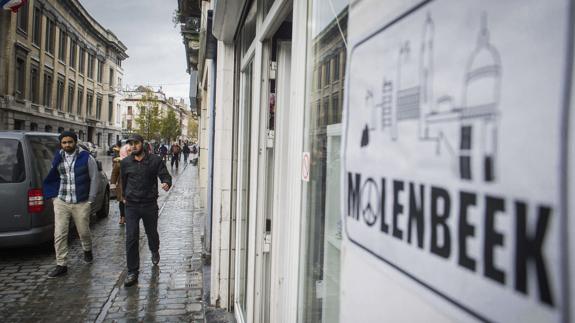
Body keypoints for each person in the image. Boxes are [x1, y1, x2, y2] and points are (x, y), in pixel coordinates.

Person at [43, 131, 100, 278]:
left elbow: (94, 178)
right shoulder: (58, 157)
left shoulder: (86, 157)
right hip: (61, 200)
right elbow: (53, 176)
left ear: (75, 142)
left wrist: (90, 200)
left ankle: (87, 250)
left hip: (81, 202)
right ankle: (61, 264)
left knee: (83, 232)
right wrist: (54, 197)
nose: (67, 145)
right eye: (64, 142)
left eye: (70, 142)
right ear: (61, 144)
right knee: (60, 233)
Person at [121, 134, 172, 287]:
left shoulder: (155, 160)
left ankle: (154, 250)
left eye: (136, 143)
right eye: (130, 144)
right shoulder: (125, 162)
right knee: (131, 237)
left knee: (151, 233)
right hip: (131, 205)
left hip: (149, 204)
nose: (133, 146)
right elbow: (123, 181)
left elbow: (166, 176)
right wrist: (124, 196)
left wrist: (166, 183)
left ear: (142, 144)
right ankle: (132, 271)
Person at [110, 144, 132, 225]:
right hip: (122, 185)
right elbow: (114, 174)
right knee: (122, 202)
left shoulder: (135, 160)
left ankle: (129, 217)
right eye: (129, 150)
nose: (130, 152)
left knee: (131, 202)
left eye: (131, 150)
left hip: (133, 186)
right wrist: (112, 184)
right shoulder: (119, 162)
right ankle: (122, 217)